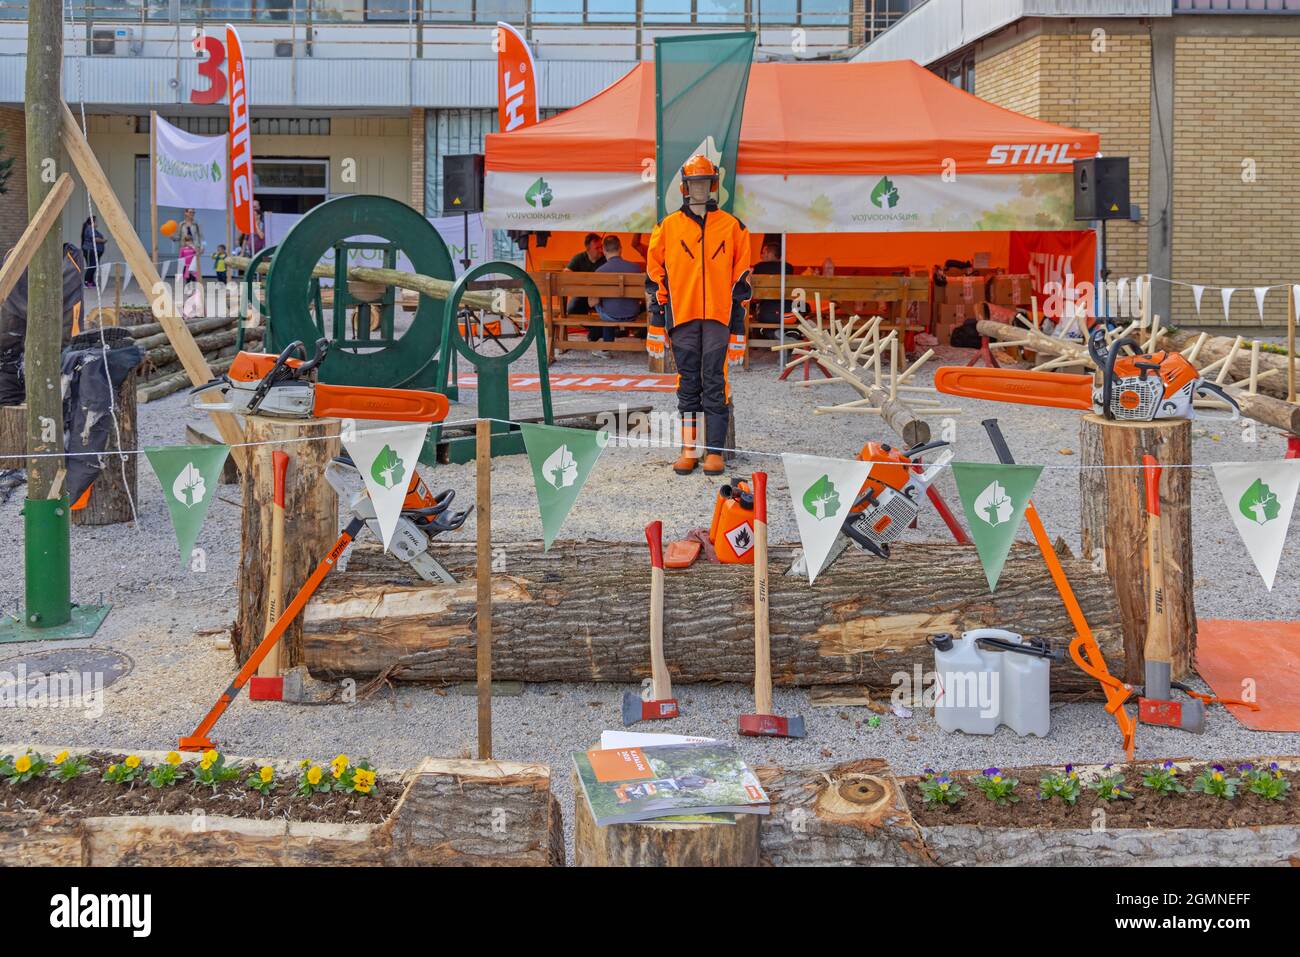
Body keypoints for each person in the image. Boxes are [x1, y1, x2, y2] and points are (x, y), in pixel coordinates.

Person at [646, 154, 751, 477]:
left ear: (713, 185)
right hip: (683, 317)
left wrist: (738, 330)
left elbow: (742, 282)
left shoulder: (733, 227)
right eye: (694, 184)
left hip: (719, 318)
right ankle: (689, 450)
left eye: (705, 183)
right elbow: (654, 278)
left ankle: (715, 452)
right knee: (688, 383)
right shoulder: (666, 228)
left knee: (716, 383)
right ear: (684, 188)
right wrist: (654, 323)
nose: (700, 190)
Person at [586, 235, 644, 357]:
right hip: (633, 314)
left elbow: (592, 303)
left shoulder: (600, 272)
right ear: (621, 249)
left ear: (604, 250)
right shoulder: (635, 268)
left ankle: (606, 349)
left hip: (610, 316)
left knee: (601, 305)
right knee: (614, 304)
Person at [751, 238, 795, 336]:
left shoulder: (759, 267)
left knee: (760, 319)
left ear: (768, 253)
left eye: (763, 253)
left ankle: (775, 334)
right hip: (788, 314)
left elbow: (753, 296)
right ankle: (785, 335)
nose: (761, 256)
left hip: (766, 314)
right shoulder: (788, 268)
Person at [563, 232, 606, 315]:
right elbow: (566, 273)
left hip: (600, 297)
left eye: (601, 247)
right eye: (597, 248)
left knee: (609, 311)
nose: (601, 250)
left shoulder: (606, 258)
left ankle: (597, 327)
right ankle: (592, 327)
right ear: (588, 249)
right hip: (582, 296)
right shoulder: (579, 258)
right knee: (571, 310)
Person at [80, 217, 106, 287]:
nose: (97, 223)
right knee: (91, 266)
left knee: (93, 266)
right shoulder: (89, 229)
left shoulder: (93, 230)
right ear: (92, 222)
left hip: (95, 251)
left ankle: (90, 281)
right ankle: (85, 281)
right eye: (96, 221)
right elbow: (94, 239)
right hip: (90, 250)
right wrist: (103, 240)